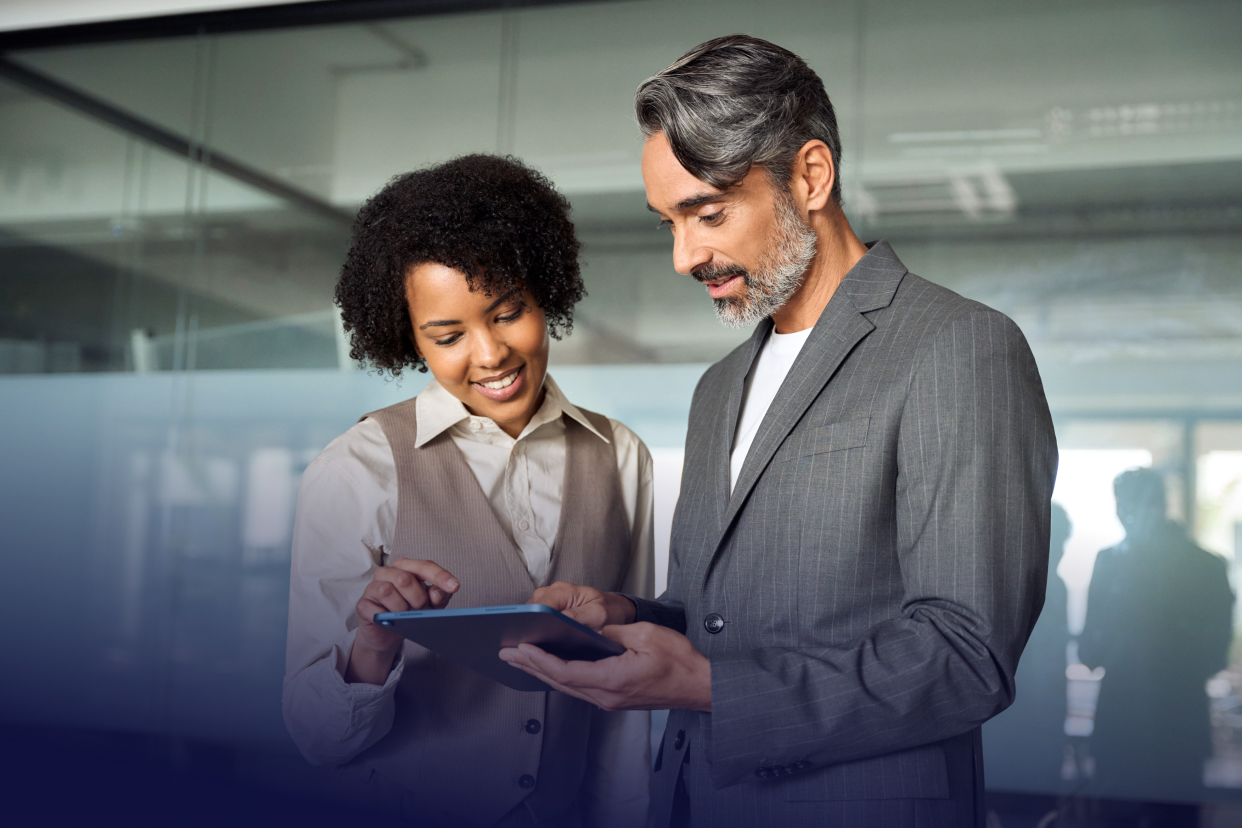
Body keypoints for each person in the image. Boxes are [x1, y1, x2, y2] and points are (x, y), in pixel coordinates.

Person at [499, 36, 1059, 828]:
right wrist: (628, 618)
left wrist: (709, 689)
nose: (683, 254)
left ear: (811, 175)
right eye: (667, 222)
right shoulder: (718, 387)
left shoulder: (957, 347)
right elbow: (715, 617)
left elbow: (966, 656)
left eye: (708, 212)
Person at [281, 154, 653, 828]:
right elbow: (319, 740)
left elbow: (625, 698)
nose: (489, 355)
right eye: (447, 335)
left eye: (507, 313)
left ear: (545, 293)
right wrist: (374, 645)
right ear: (409, 339)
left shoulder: (620, 455)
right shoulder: (357, 469)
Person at [1079, 468, 1233, 815]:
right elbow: (1090, 648)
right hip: (1158, 723)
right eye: (1122, 507)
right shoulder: (1204, 565)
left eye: (1131, 506)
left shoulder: (1114, 563)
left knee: (1149, 816)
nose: (1125, 515)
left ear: (1157, 508)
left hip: (1147, 724)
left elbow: (1091, 649)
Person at [982, 504, 1072, 792]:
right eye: (1058, 543)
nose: (1059, 552)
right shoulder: (1003, 590)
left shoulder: (1056, 588)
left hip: (1044, 714)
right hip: (1018, 715)